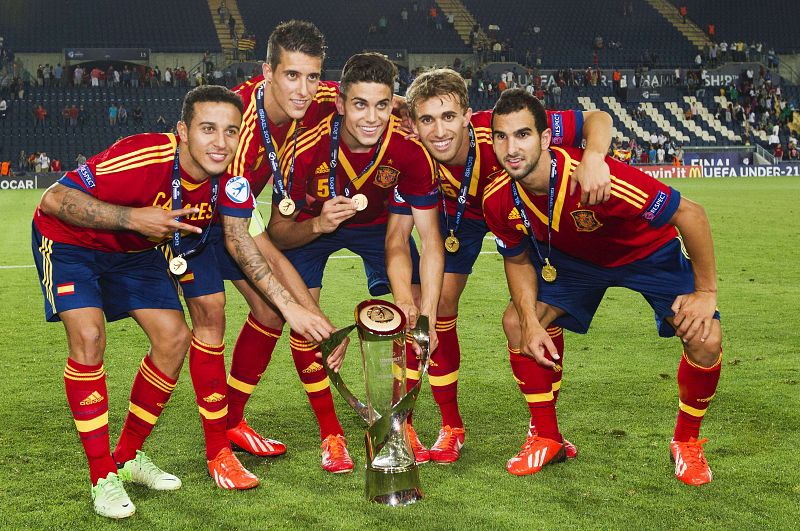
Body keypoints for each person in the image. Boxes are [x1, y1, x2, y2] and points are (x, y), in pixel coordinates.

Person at [31, 85, 341, 518]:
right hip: (70, 244)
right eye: (208, 129)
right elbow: (54, 199)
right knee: (88, 336)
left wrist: (292, 309)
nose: (220, 142)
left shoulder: (231, 185)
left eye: (230, 131)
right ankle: (102, 475)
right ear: (183, 131)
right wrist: (131, 217)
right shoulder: (145, 155)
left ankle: (127, 456)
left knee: (175, 339)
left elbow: (242, 245)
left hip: (135, 253)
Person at [483, 89, 722, 485]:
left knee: (706, 337)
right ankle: (547, 436)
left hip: (646, 254)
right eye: (502, 137)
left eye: (523, 135)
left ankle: (687, 442)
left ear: (545, 139)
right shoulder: (497, 198)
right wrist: (530, 319)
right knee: (517, 322)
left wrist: (706, 292)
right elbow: (518, 260)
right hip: (577, 265)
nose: (511, 148)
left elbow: (690, 214)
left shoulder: (592, 176)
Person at [402, 68, 613, 463]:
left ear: (468, 115)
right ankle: (450, 427)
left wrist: (596, 156)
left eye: (449, 117)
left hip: (522, 213)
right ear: (414, 124)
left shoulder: (501, 131)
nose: (440, 130)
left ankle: (544, 427)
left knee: (532, 313)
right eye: (427, 120)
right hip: (456, 220)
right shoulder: (413, 146)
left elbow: (596, 120)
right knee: (435, 304)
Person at [179, 20, 348, 480]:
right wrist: (303, 307)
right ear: (267, 71)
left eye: (312, 76)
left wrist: (399, 104)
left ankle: (232, 421)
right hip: (192, 218)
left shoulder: (312, 98)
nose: (304, 89)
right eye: (292, 76)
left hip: (235, 212)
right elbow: (253, 240)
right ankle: (217, 452)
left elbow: (345, 93)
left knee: (271, 314)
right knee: (212, 315)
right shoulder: (240, 132)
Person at [266, 52, 443, 469]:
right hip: (312, 225)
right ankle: (331, 433)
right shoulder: (304, 145)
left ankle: (401, 422)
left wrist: (425, 315)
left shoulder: (409, 149)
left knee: (410, 309)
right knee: (306, 326)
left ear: (393, 104)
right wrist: (317, 226)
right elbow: (276, 234)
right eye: (360, 105)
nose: (372, 117)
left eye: (382, 105)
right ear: (341, 103)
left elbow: (429, 239)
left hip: (381, 229)